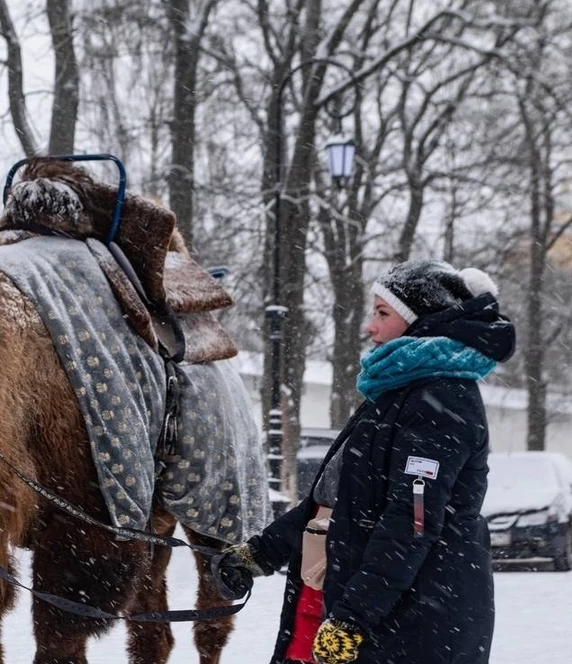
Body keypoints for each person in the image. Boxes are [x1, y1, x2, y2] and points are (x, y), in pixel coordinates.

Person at [212, 260, 516, 664]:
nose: (370, 327)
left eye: (382, 313)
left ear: (421, 322)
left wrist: (353, 619)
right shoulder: (396, 393)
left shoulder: (441, 399)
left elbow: (413, 521)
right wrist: (258, 554)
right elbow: (334, 499)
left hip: (414, 621)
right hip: (358, 602)